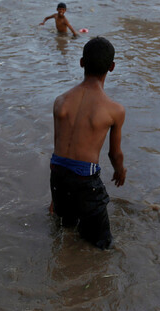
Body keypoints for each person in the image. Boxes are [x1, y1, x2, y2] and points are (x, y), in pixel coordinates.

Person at [49, 37, 127, 249]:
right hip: (85, 179)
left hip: (57, 173)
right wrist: (120, 171)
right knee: (103, 245)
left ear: (82, 62)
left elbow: (59, 145)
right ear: (112, 67)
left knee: (66, 226)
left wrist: (55, 196)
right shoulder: (114, 110)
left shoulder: (61, 100)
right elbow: (114, 154)